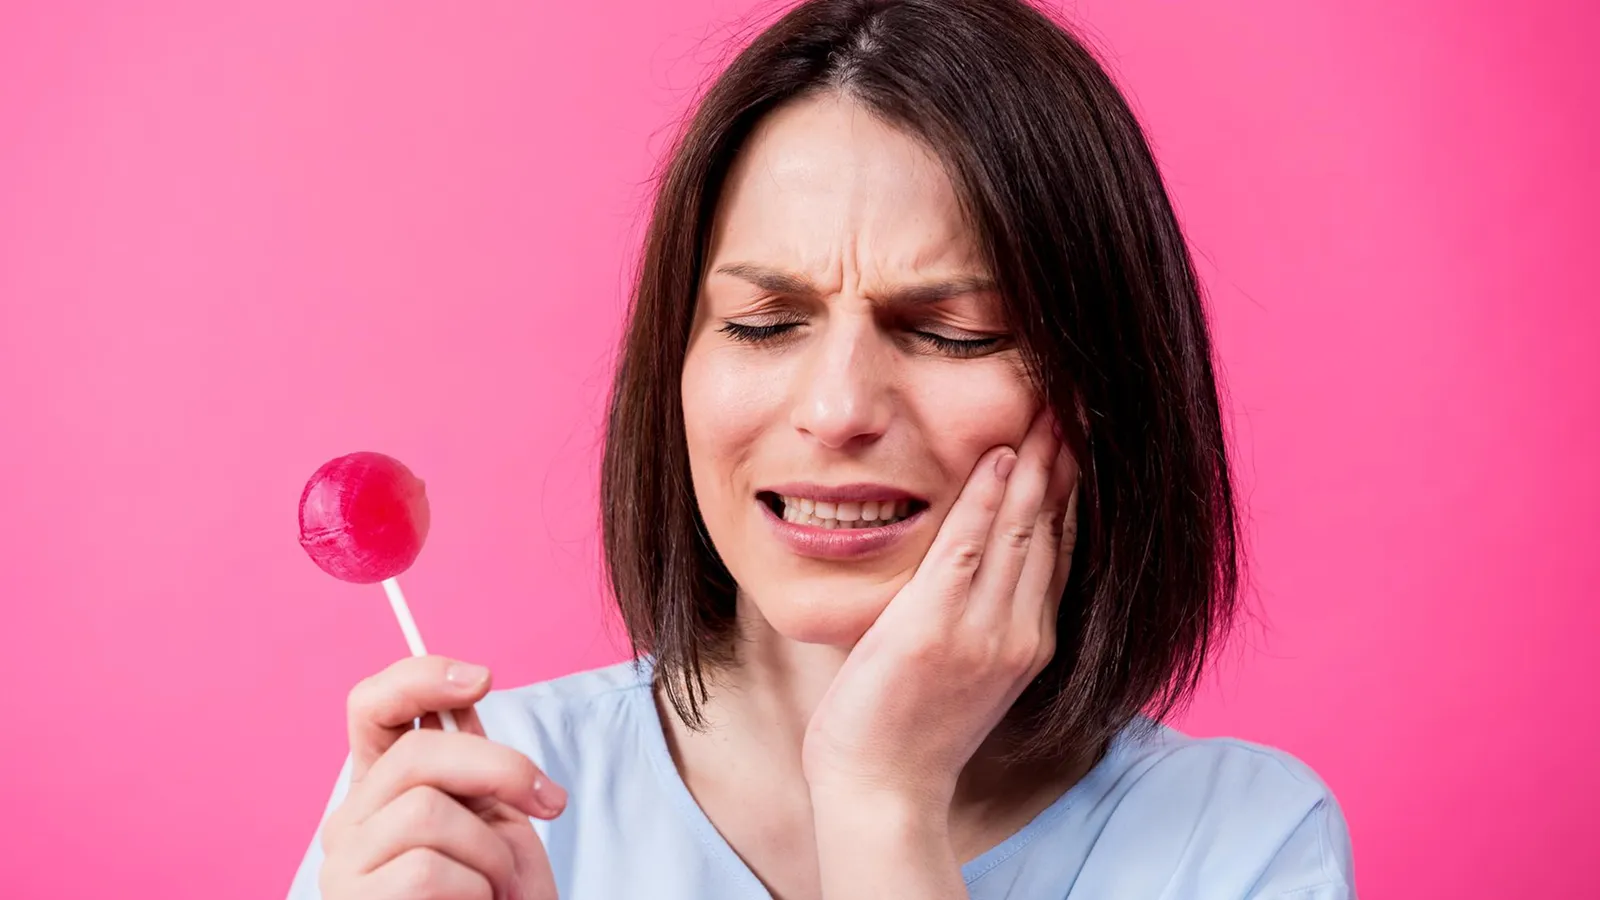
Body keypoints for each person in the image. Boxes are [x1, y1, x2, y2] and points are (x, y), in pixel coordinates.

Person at [287, 0, 1356, 897]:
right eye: (762, 324)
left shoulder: (1244, 843)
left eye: (954, 333)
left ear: (1101, 385)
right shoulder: (454, 807)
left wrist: (880, 801)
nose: (838, 408)